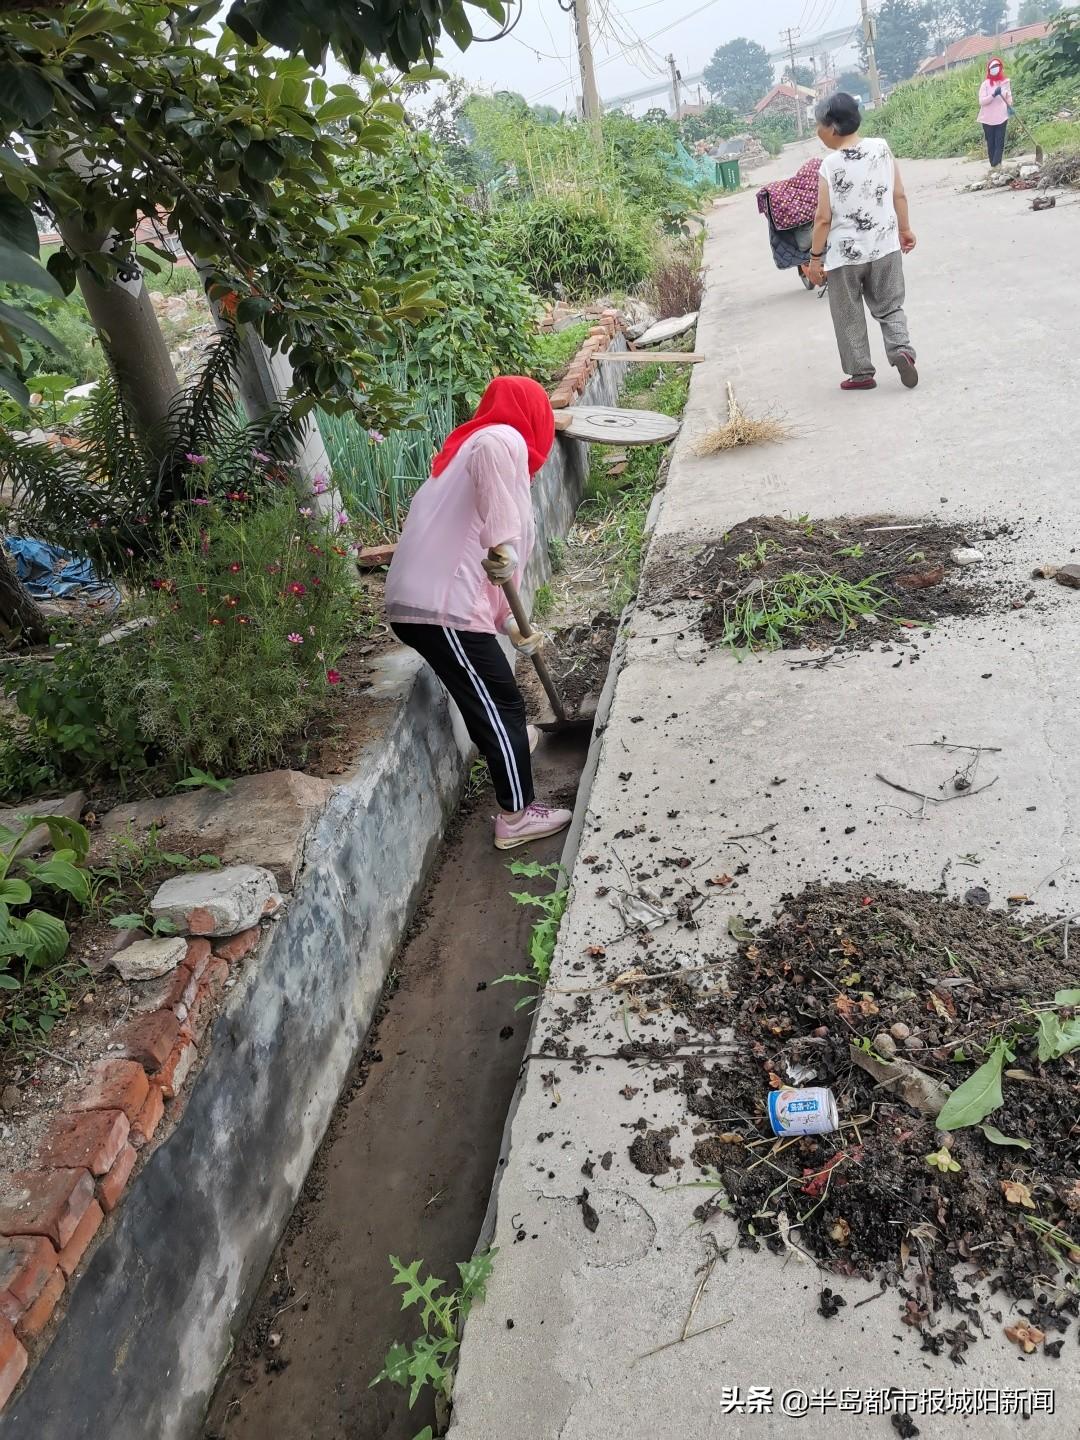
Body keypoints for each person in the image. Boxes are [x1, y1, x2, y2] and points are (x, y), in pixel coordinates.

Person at [385, 375, 574, 851]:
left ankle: (511, 746)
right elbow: (493, 544)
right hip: (442, 608)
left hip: (434, 604)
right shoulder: (498, 438)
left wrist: (511, 622)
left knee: (486, 697)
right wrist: (505, 544)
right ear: (535, 417)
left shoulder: (463, 452)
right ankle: (517, 814)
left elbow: (472, 557)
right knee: (501, 701)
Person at [807, 92, 918, 393]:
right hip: (885, 246)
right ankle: (901, 350)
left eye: (818, 126)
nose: (817, 132)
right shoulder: (882, 148)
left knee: (847, 313)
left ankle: (861, 373)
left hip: (845, 256)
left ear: (832, 127)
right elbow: (899, 194)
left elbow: (822, 219)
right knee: (890, 305)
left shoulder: (829, 165)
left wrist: (815, 260)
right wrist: (905, 229)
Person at [978, 57, 1012, 169]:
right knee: (991, 143)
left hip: (1001, 117)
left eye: (997, 66)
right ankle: (994, 165)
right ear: (989, 69)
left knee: (1000, 141)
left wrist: (1010, 105)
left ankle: (997, 164)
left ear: (1000, 67)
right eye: (992, 67)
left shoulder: (1005, 82)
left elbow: (1009, 97)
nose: (995, 69)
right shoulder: (985, 84)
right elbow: (982, 101)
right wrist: (993, 95)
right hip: (987, 118)